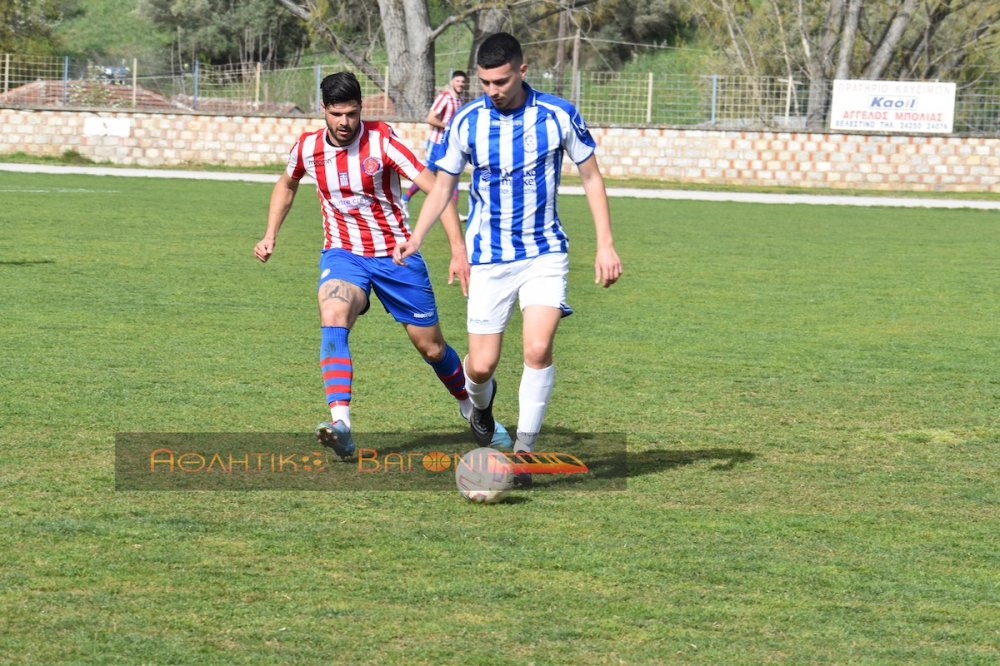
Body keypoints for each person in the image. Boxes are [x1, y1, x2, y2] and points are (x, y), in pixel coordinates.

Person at [393, 33, 623, 486]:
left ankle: (522, 453)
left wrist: (606, 244)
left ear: (522, 70)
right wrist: (417, 236)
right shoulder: (468, 122)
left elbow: (591, 178)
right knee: (480, 367)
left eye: (500, 81)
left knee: (537, 348)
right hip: (489, 257)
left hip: (544, 252)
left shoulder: (558, 115)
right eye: (484, 82)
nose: (492, 90)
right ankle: (481, 409)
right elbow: (442, 184)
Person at [254, 71, 506, 460]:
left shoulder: (383, 141)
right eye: (337, 114)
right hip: (342, 254)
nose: (344, 123)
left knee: (432, 348)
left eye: (352, 114)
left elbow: (437, 188)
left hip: (396, 256)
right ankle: (342, 424)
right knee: (333, 311)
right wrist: (271, 232)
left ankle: (471, 407)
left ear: (360, 110)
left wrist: (458, 249)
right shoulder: (306, 148)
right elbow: (286, 184)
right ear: (323, 109)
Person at [400, 70, 467, 222]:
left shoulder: (460, 99)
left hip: (451, 145)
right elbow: (430, 118)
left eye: (463, 82)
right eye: (458, 81)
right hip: (437, 143)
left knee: (454, 174)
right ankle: (405, 198)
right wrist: (447, 126)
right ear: (452, 82)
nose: (460, 84)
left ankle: (453, 212)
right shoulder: (444, 98)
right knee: (428, 174)